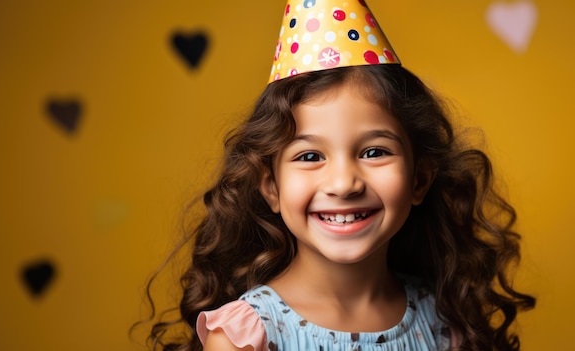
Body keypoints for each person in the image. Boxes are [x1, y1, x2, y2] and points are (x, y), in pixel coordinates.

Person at [138, 1, 535, 350]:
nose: (344, 183)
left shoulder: (446, 322)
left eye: (374, 152)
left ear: (419, 180)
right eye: (310, 155)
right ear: (271, 187)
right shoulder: (246, 336)